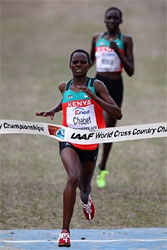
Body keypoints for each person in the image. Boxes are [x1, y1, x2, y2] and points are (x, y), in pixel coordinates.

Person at [36, 49, 122, 247]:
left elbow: (118, 114)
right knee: (72, 178)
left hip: (90, 143)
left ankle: (85, 198)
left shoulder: (97, 85)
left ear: (89, 65)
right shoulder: (63, 86)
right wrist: (54, 109)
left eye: (83, 62)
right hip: (68, 139)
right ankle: (65, 232)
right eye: (75, 62)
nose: (79, 65)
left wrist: (94, 97)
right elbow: (67, 99)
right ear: (70, 64)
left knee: (84, 187)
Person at [90, 7, 134, 188]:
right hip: (98, 83)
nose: (112, 21)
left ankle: (103, 165)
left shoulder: (126, 40)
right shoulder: (96, 38)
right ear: (105, 20)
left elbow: (131, 71)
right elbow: (90, 61)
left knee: (108, 129)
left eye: (116, 18)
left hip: (116, 85)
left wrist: (118, 52)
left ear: (121, 21)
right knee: (92, 124)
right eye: (109, 18)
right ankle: (89, 162)